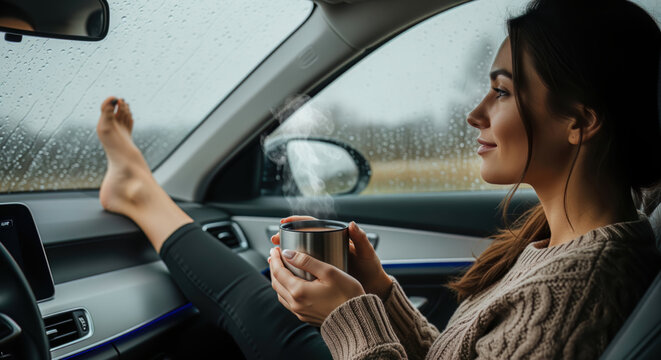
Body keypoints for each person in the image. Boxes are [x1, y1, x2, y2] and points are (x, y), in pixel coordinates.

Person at [95, 0, 661, 358]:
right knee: (259, 307)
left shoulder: (573, 288)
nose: (476, 113)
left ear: (579, 122)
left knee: (261, 309)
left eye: (504, 90)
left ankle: (140, 192)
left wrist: (347, 317)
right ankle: (141, 193)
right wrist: (379, 293)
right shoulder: (560, 247)